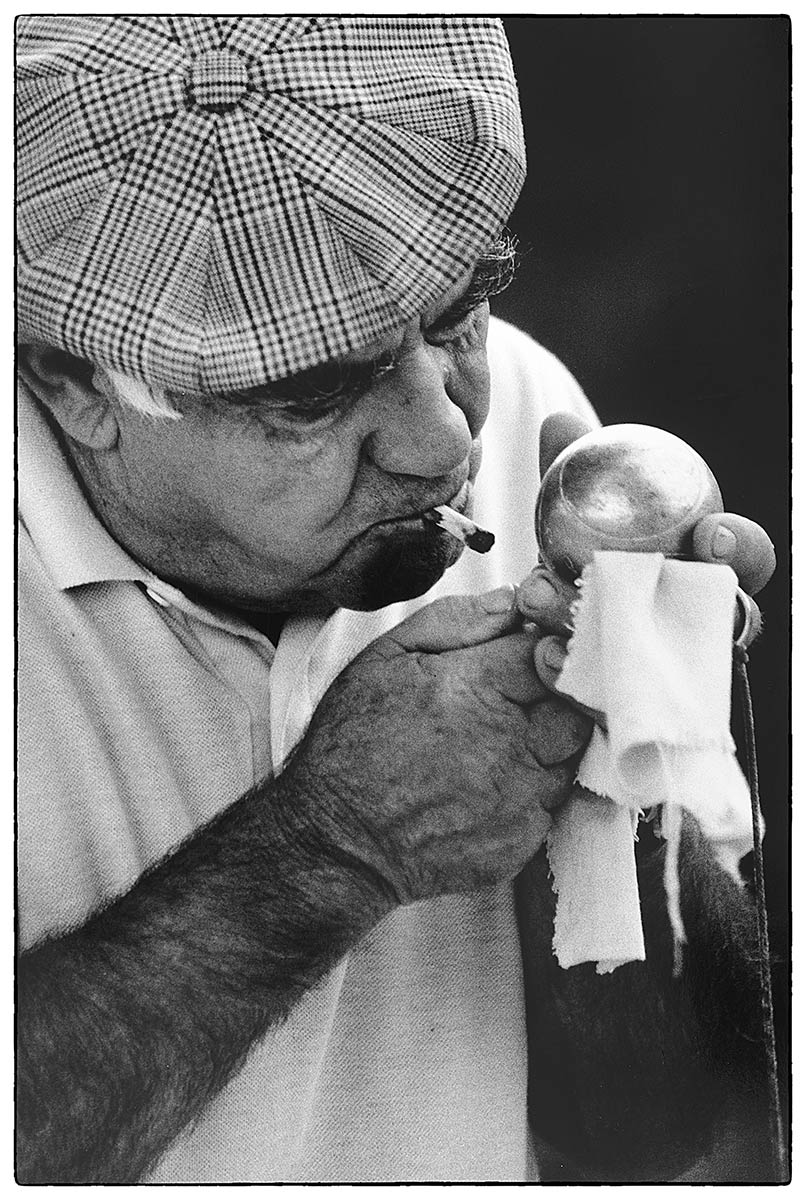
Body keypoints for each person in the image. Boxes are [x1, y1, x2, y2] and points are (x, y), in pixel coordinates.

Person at [16, 15, 778, 1185]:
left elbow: (670, 1142)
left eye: (457, 311)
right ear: (73, 386)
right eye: (313, 394)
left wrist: (635, 763)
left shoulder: (536, 420)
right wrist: (335, 843)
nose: (445, 443)